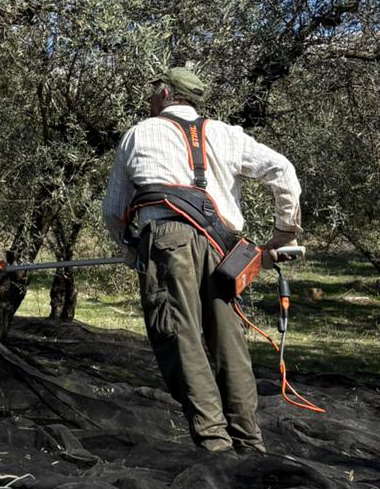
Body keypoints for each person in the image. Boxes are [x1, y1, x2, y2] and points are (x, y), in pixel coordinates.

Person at [101, 65, 301, 454]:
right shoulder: (227, 135)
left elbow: (113, 210)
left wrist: (131, 254)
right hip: (225, 250)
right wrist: (284, 234)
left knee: (180, 339)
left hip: (166, 244)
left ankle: (215, 449)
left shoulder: (140, 133)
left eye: (153, 91)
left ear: (163, 94)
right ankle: (249, 445)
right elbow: (284, 171)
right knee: (230, 344)